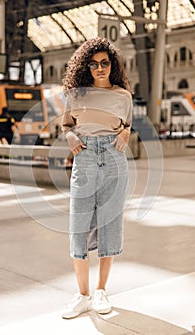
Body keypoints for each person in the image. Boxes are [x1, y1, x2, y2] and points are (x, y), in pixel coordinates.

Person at [61, 37, 133, 319]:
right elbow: (67, 125)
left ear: (112, 65)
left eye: (105, 63)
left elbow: (126, 124)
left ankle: (101, 291)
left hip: (114, 159)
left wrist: (126, 131)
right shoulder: (75, 95)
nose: (100, 68)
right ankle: (82, 295)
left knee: (110, 224)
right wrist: (69, 136)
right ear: (86, 67)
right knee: (78, 226)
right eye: (94, 64)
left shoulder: (123, 96)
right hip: (86, 157)